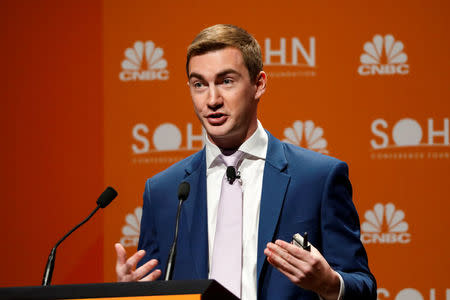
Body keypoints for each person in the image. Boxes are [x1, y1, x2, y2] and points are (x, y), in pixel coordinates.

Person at [115, 24, 376, 300]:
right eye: (199, 84)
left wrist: (329, 284)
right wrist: (131, 293)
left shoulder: (318, 178)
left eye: (226, 81)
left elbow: (363, 287)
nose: (212, 100)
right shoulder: (164, 191)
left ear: (258, 84)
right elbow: (154, 289)